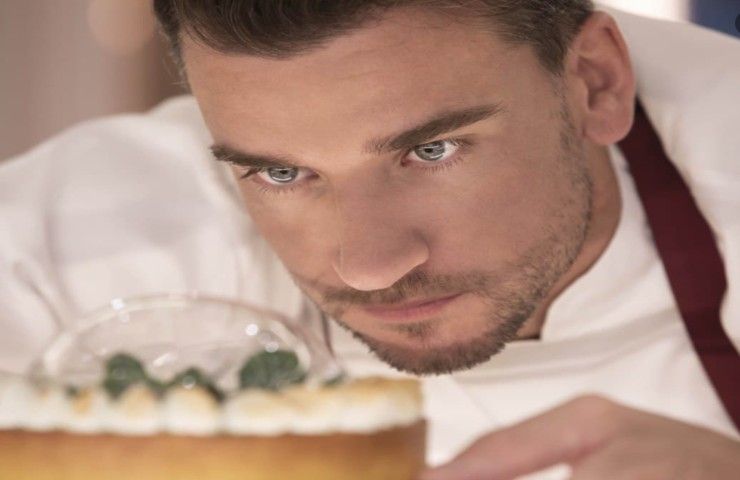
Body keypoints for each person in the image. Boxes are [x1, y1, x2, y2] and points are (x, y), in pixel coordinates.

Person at [1, 1, 739, 478]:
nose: (371, 269)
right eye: (281, 173)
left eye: (432, 151)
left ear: (595, 83)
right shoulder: (117, 221)